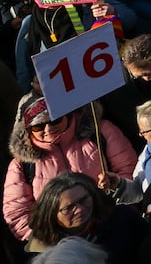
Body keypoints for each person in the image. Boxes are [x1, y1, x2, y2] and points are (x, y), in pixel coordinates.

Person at [5, 96, 138, 243]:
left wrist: (117, 190)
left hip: (114, 226)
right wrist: (46, 239)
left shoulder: (99, 132)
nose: (48, 129)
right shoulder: (22, 164)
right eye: (38, 127)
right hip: (62, 244)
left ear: (67, 115)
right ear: (28, 130)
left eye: (55, 120)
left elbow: (130, 171)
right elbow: (16, 211)